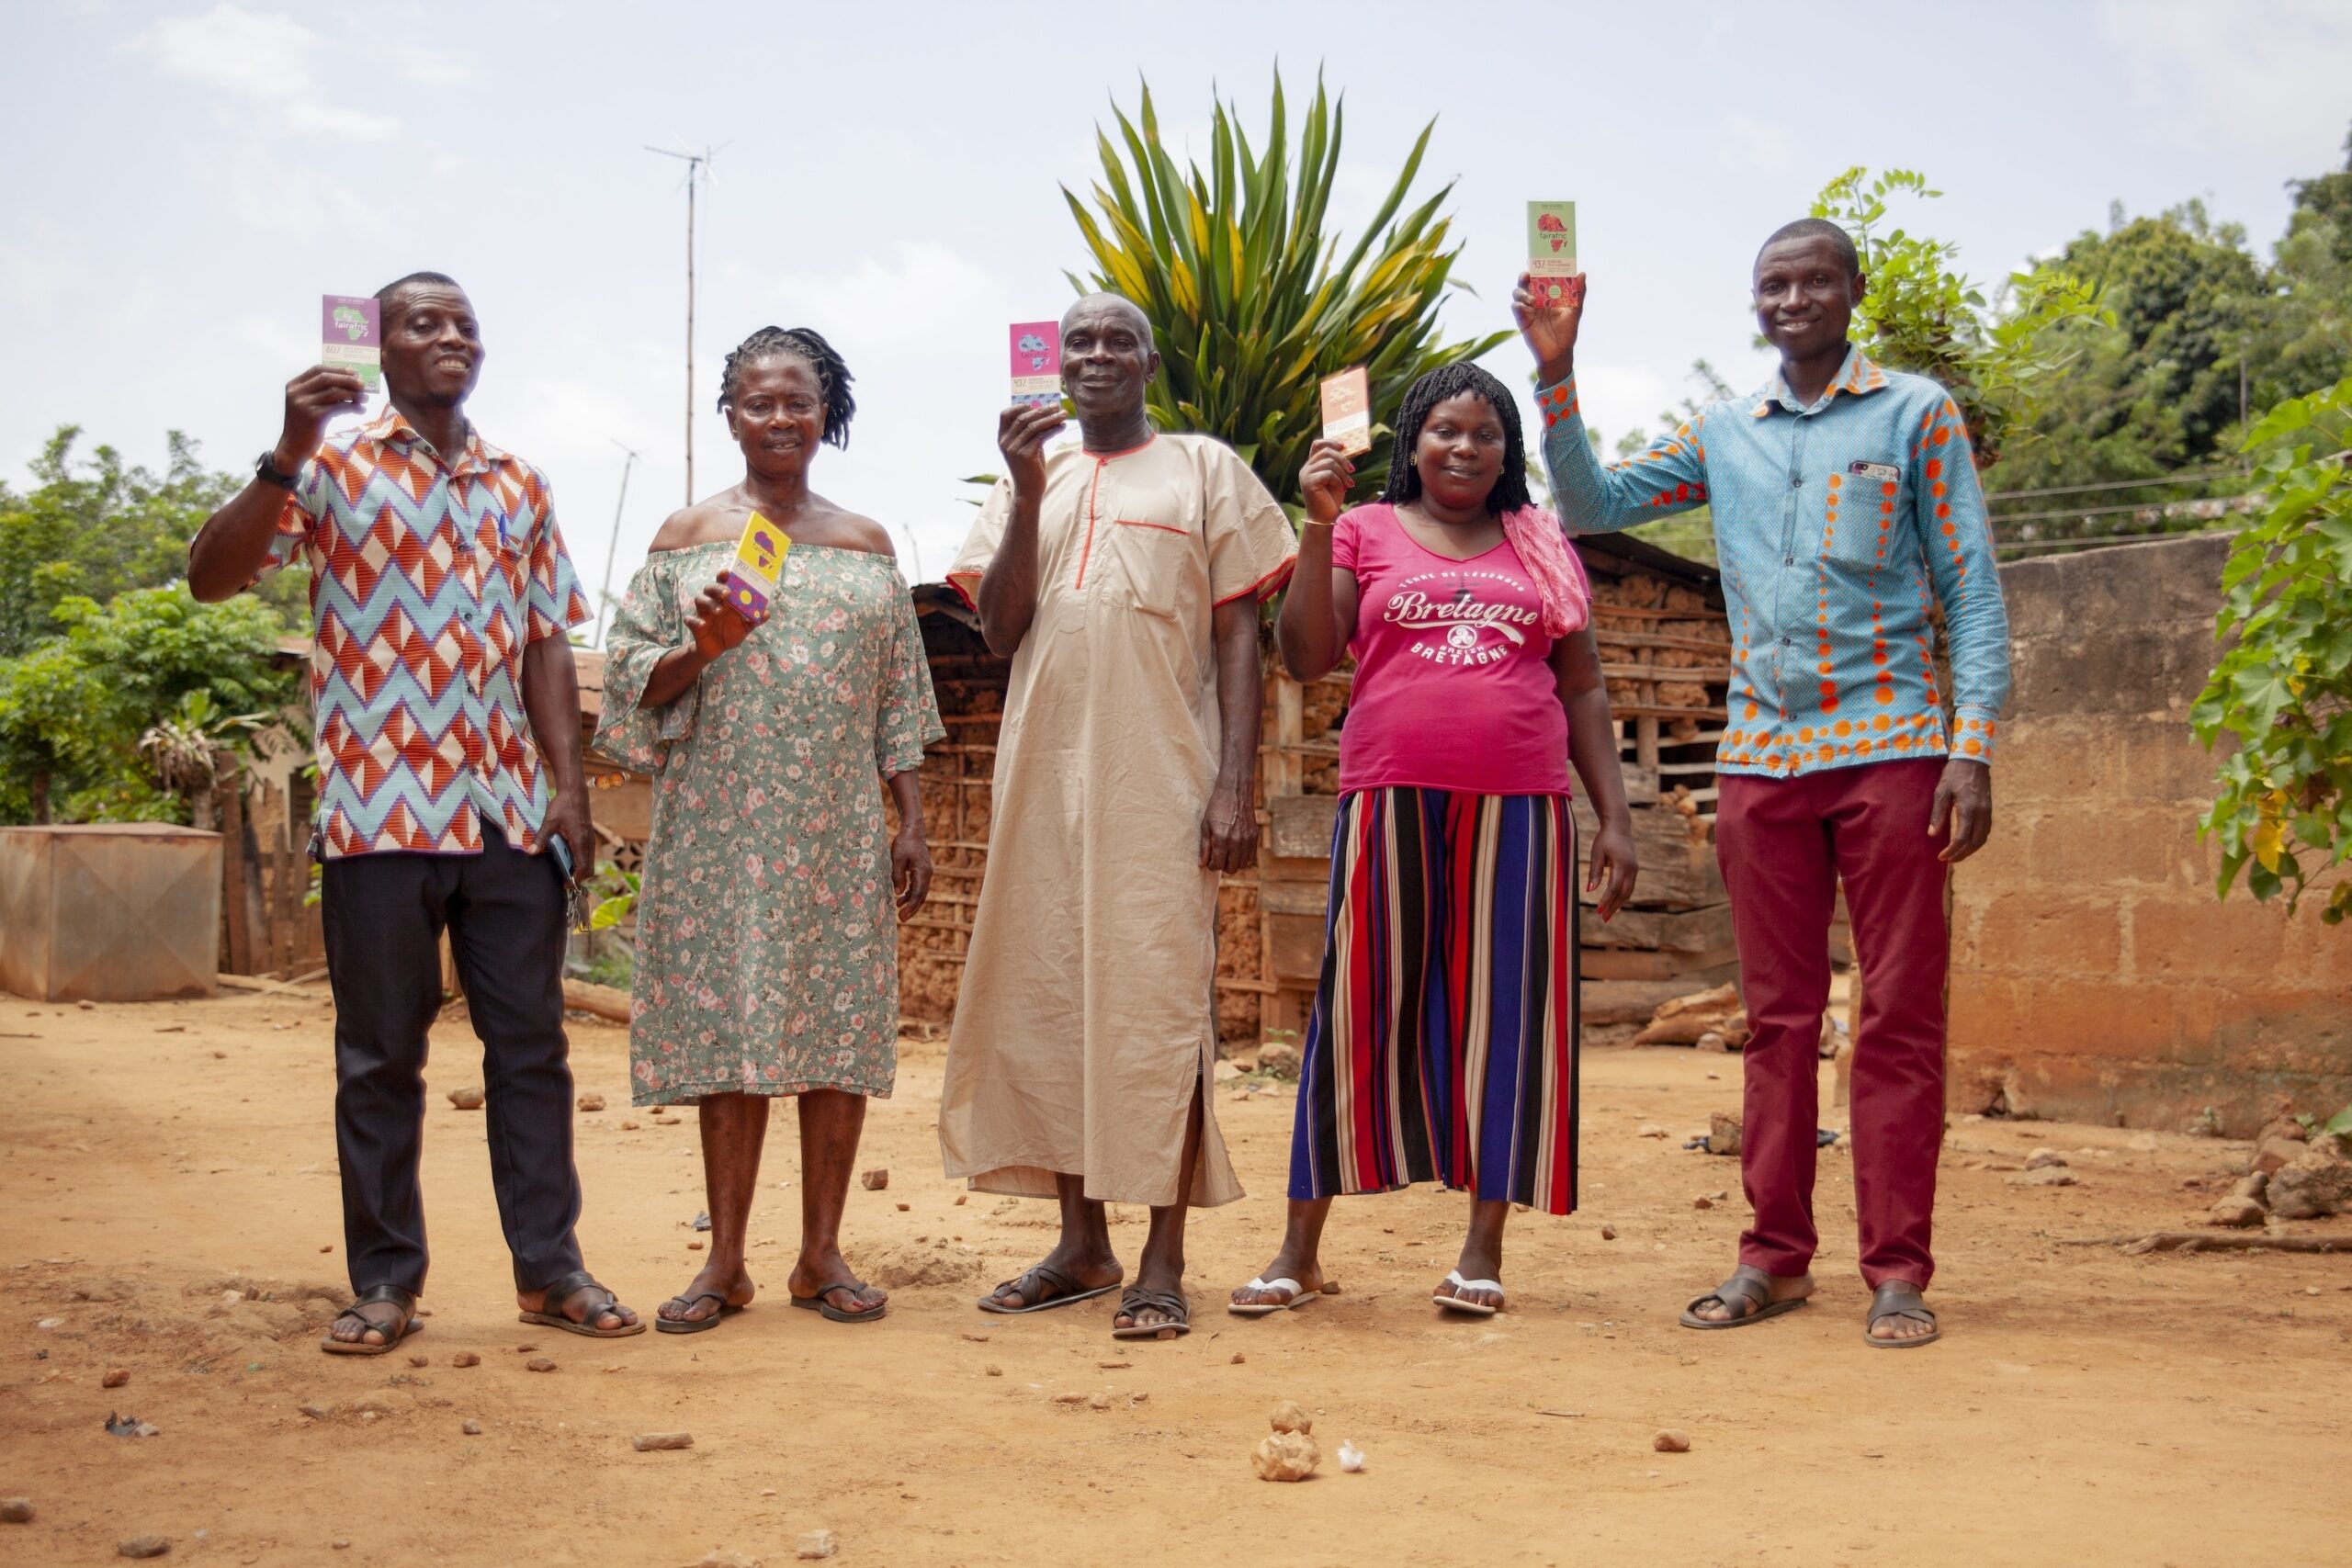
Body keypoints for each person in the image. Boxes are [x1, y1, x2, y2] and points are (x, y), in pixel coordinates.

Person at [1516, 220, 2013, 1348]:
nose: (1792, 299)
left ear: (1852, 292)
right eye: (1772, 284)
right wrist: (1555, 375)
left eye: (1813, 281)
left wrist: (1969, 746)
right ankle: (1772, 1259)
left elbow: (1972, 590)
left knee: (1892, 1015)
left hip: (1891, 748)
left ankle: (1896, 1271)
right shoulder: (1725, 433)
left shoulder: (1914, 413)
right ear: (1755, 303)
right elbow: (1590, 505)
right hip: (1760, 763)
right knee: (1776, 1020)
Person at [188, 271, 641, 1352]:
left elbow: (545, 641)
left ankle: (551, 1271)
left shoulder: (517, 481)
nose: (450, 337)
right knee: (381, 1055)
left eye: (464, 325)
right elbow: (213, 576)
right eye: (422, 323)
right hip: (379, 809)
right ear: (379, 348)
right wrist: (286, 447)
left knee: (530, 1050)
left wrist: (568, 791)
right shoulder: (328, 467)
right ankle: (386, 1281)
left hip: (503, 812)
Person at [1227, 362, 1639, 1322]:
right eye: (1446, 430)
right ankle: (1299, 1252)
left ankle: (1480, 1252)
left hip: (1520, 809)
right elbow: (1306, 655)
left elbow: (1581, 687)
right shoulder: (1363, 530)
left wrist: (1612, 816)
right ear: (1411, 441)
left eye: (1485, 434)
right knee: (1355, 1011)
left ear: (1507, 453)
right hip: (1387, 798)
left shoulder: (1540, 545)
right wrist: (1319, 518)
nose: (1464, 447)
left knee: (1508, 1018)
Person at [939, 293, 1298, 1340]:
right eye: (1078, 341)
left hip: (1164, 779)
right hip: (1042, 781)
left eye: (1116, 341)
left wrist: (1237, 780)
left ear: (1149, 360)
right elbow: (1001, 630)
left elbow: (1240, 634)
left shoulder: (1202, 467)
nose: (1096, 354)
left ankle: (1160, 1259)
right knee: (1049, 996)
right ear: (1057, 366)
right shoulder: (1030, 483)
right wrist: (1019, 486)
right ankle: (1080, 1243)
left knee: (1154, 1008)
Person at [597, 326, 944, 1330]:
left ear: (826, 413)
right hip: (717, 825)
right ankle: (727, 1262)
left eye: (799, 400)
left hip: (837, 827)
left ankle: (822, 1254)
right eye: (758, 401)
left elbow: (898, 700)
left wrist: (909, 820)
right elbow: (632, 686)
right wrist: (700, 644)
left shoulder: (866, 544)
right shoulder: (682, 539)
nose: (779, 418)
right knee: (732, 1026)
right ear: (731, 415)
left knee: (836, 1029)